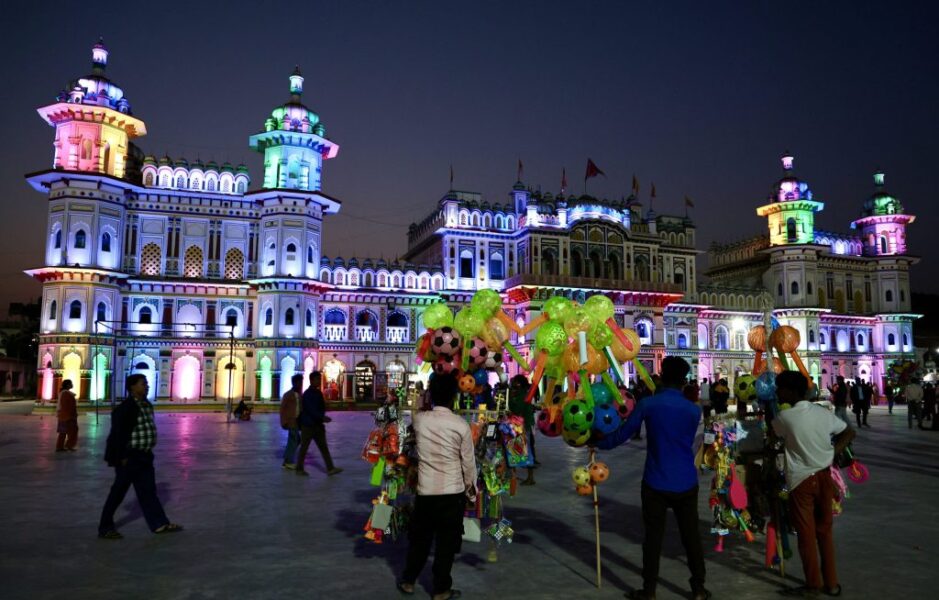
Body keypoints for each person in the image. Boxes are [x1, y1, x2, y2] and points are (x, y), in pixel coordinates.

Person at [596, 356, 710, 600]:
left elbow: (623, 434)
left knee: (652, 538)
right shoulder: (693, 410)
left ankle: (649, 590)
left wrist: (596, 442)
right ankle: (698, 588)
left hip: (655, 480)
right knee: (691, 536)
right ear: (684, 380)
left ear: (662, 375)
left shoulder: (649, 404)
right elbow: (694, 445)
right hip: (686, 480)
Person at [772, 371, 855, 597]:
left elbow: (774, 437)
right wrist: (831, 453)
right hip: (825, 476)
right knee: (825, 533)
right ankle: (832, 583)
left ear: (790, 391)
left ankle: (813, 585)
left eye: (780, 388)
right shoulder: (821, 413)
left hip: (801, 480)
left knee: (806, 536)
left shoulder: (784, 417)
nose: (777, 393)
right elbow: (848, 432)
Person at [398, 373, 477, 600]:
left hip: (426, 490)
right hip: (452, 492)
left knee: (420, 539)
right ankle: (441, 589)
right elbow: (468, 464)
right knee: (446, 543)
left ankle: (408, 580)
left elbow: (417, 410)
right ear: (454, 397)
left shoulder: (420, 420)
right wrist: (472, 491)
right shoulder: (461, 425)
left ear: (431, 394)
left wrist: (423, 397)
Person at [98, 375, 183, 539]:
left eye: (146, 384)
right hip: (129, 457)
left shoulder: (146, 405)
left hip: (144, 456)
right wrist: (121, 456)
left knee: (149, 491)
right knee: (118, 493)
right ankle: (105, 527)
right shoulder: (125, 408)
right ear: (132, 387)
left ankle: (159, 524)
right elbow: (117, 435)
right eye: (143, 384)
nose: (147, 386)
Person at [296, 371, 342, 476]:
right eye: (317, 379)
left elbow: (320, 406)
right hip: (308, 425)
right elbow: (311, 409)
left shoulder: (317, 392)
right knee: (304, 447)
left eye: (319, 379)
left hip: (317, 425)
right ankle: (299, 468)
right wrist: (322, 417)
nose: (319, 381)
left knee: (323, 447)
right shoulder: (308, 394)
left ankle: (330, 468)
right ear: (311, 380)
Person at [508, 374, 536, 485]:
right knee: (525, 449)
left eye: (515, 382)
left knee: (526, 450)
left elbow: (516, 409)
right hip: (525, 425)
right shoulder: (525, 394)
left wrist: (510, 398)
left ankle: (530, 477)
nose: (513, 384)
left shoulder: (521, 395)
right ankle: (527, 476)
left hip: (522, 426)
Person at [279, 373, 303, 470]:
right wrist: (284, 421)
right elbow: (282, 409)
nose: (301, 384)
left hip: (296, 421)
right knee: (293, 440)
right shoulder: (288, 395)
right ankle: (288, 461)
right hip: (290, 421)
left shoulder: (299, 395)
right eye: (300, 382)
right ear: (295, 383)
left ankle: (286, 458)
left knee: (296, 440)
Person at [55, 379, 79, 452]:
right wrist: (72, 415)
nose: (72, 384)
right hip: (68, 416)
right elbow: (68, 406)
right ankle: (69, 446)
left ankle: (60, 447)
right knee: (73, 431)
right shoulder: (66, 394)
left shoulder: (63, 393)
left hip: (63, 415)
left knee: (63, 431)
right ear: (68, 385)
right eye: (71, 383)